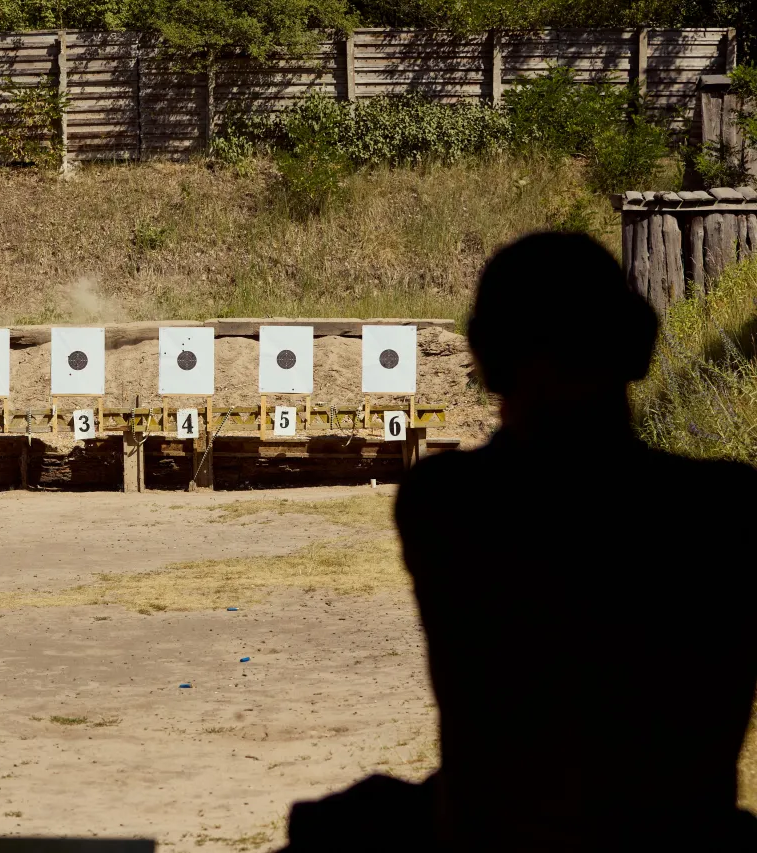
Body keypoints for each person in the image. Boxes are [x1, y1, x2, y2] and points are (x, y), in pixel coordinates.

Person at [286, 232, 757, 850]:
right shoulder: (728, 507)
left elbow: (537, 764)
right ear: (638, 346)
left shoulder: (445, 501)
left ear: (484, 359)